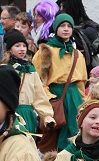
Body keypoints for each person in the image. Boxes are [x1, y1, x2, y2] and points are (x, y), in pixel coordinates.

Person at [33, 13, 88, 149]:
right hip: (54, 97)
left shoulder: (77, 54)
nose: (66, 29)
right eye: (62, 25)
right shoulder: (45, 51)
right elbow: (37, 79)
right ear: (55, 28)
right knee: (52, 136)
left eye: (69, 26)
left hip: (73, 97)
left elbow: (82, 81)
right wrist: (48, 98)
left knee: (75, 133)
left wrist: (81, 101)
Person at [0, 29, 53, 135]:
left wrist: (47, 117)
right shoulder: (4, 69)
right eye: (17, 46)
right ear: (9, 49)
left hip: (27, 113)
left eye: (24, 46)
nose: (22, 49)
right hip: (10, 113)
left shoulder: (31, 70)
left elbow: (39, 96)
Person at [57, 0, 99, 68]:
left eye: (63, 7)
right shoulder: (57, 26)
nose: (61, 10)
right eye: (60, 6)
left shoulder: (90, 27)